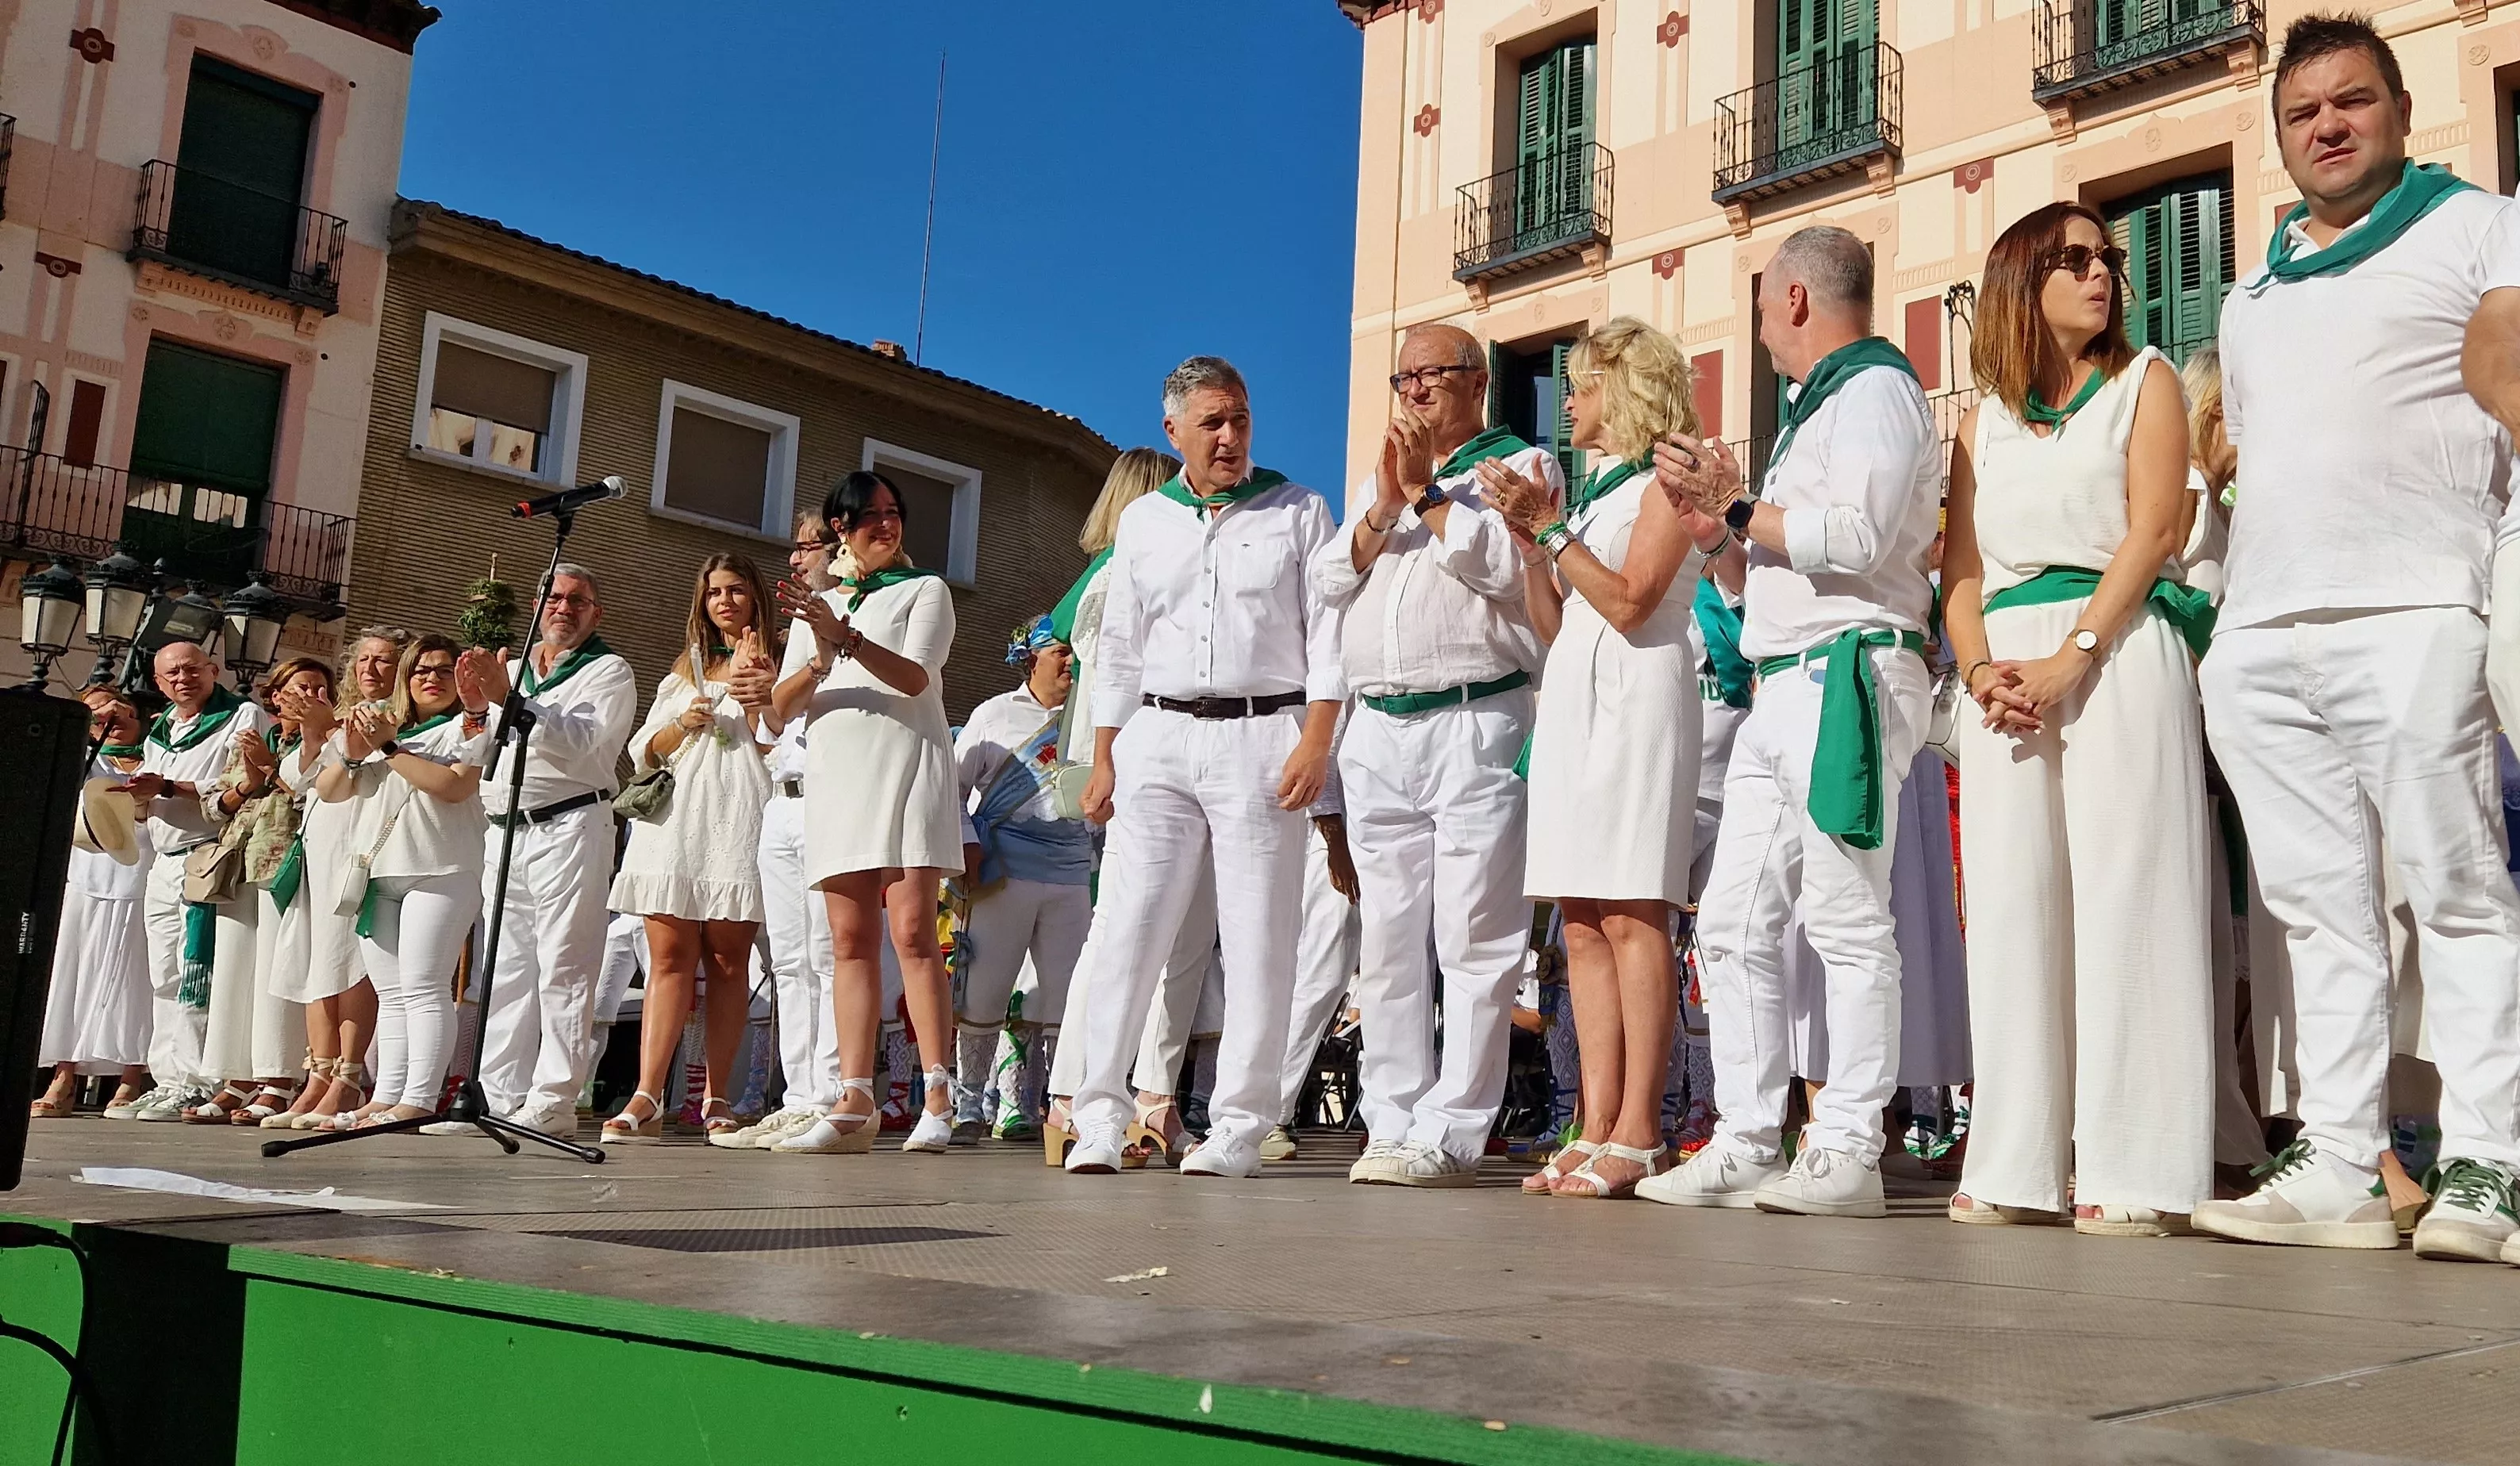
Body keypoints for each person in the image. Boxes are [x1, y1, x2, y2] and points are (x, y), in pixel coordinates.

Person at [2191, 14, 2520, 1261]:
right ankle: (2338, 1157)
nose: (2326, 126)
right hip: (2265, 629)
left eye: (2352, 102)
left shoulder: (2482, 223)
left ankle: (2492, 1163)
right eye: (2301, 113)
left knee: (2458, 891)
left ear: (2398, 107)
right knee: (2318, 912)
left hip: (2422, 605)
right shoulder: (2252, 289)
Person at [1642, 226, 1942, 1218]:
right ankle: (1744, 1136)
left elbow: (1853, 539)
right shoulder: (1815, 412)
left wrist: (1735, 506)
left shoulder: (1877, 392)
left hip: (1847, 674)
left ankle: (1849, 1143)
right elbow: (1769, 569)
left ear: (1797, 299)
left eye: (1763, 301)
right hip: (1786, 681)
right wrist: (1717, 533)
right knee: (1728, 926)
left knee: (1847, 918)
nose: (1761, 322)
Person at [1938, 201, 2215, 1234]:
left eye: (2111, 261)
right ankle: (2013, 1161)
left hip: (2118, 643)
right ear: (2022, 280)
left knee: (2130, 896)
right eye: (2076, 260)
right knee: (2011, 909)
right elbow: (1960, 570)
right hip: (2004, 670)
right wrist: (1978, 672)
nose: (2104, 276)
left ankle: (2138, 1166)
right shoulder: (1981, 423)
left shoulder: (2146, 384)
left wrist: (2073, 656)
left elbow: (2154, 532)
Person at [1062, 355, 1344, 1178]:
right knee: (1125, 929)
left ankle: (1238, 1126)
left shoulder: (1298, 510)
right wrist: (1105, 755)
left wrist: (1316, 740)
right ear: (1173, 430)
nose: (1228, 436)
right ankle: (1099, 1117)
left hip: (1263, 736)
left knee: (1260, 938)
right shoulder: (1146, 521)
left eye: (1240, 419)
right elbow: (1119, 646)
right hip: (1155, 737)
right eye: (1212, 422)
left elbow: (1330, 635)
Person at [1312, 320, 1561, 1188]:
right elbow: (1324, 583)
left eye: (1431, 375)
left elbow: (1506, 572)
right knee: (1383, 940)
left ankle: (1452, 1127)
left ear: (1474, 382)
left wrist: (1427, 498)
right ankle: (1388, 1118)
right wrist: (1384, 505)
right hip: (1378, 728)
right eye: (1402, 377)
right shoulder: (1379, 480)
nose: (1413, 391)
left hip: (1475, 716)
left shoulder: (1520, 469)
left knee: (1474, 937)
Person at [1485, 317, 1730, 1199]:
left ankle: (1639, 1128)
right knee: (1581, 921)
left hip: (1638, 701)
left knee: (1633, 913)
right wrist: (1529, 549)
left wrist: (1549, 532)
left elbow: (1630, 602)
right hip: (1578, 702)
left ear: (1622, 390)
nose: (1568, 404)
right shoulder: (1596, 497)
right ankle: (1593, 1120)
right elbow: (1559, 626)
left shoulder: (1670, 476)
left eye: (1582, 386)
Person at [770, 470, 963, 1154]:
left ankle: (939, 1090)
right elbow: (777, 708)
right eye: (868, 516)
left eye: (894, 512)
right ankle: (855, 1098)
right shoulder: (818, 604)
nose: (886, 525)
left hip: (909, 768)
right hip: (840, 777)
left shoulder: (924, 589)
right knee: (847, 943)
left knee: (912, 933)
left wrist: (845, 636)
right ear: (841, 529)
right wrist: (820, 653)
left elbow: (916, 678)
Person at [450, 566, 638, 1138]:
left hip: (570, 824)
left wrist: (507, 699)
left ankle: (554, 1098)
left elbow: (586, 748)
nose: (564, 607)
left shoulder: (609, 670)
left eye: (578, 600)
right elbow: (480, 751)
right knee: (503, 968)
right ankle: (498, 1097)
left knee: (564, 964)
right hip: (506, 828)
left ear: (596, 614)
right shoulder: (509, 666)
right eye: (554, 597)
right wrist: (477, 711)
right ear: (537, 604)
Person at [603, 555, 779, 1142]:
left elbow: (782, 744)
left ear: (755, 596)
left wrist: (757, 689)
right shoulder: (686, 668)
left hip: (738, 817)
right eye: (712, 594)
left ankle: (717, 1096)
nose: (724, 602)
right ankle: (647, 1095)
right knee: (669, 960)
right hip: (675, 824)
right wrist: (683, 723)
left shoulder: (781, 661)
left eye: (734, 591)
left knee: (729, 964)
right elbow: (643, 752)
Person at [319, 635, 491, 1126]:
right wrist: (353, 755)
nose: (431, 679)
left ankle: (419, 1098)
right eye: (420, 671)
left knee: (424, 986)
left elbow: (455, 787)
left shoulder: (470, 725)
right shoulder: (379, 721)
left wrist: (386, 748)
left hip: (442, 868)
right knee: (391, 992)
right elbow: (331, 791)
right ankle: (386, 1095)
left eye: (443, 670)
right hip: (380, 872)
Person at [717, 519, 843, 1151]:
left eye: (809, 544)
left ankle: (832, 1095)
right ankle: (798, 1098)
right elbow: (768, 732)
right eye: (794, 547)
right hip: (783, 801)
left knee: (827, 956)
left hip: (833, 798)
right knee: (789, 960)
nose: (796, 557)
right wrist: (752, 697)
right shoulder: (793, 629)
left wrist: (788, 684)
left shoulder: (853, 611)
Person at [951, 616, 1094, 1143]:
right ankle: (969, 1107)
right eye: (1060, 651)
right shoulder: (994, 714)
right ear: (1029, 657)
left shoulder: (1094, 715)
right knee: (984, 990)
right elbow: (952, 789)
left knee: (1066, 994)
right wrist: (965, 844)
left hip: (1073, 871)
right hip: (1004, 871)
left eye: (1075, 652)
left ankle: (1056, 1106)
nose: (1071, 662)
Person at [121, 639, 273, 1121]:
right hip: (164, 860)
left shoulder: (241, 715)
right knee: (163, 971)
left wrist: (165, 787)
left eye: (192, 669)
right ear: (160, 684)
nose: (183, 679)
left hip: (208, 855)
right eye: (172, 674)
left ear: (212, 669)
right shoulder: (161, 727)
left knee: (196, 970)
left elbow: (238, 783)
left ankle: (198, 1080)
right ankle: (167, 1079)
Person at [189, 658, 339, 1124]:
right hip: (240, 862)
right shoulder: (256, 739)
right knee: (238, 970)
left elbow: (318, 797)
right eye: (298, 688)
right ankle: (237, 1074)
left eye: (318, 689)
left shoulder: (331, 739)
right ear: (275, 698)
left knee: (279, 971)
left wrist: (273, 772)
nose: (309, 697)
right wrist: (249, 783)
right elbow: (214, 806)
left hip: (287, 865)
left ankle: (278, 1077)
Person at [268, 628, 403, 1130]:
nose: (370, 669)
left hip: (359, 844)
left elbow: (368, 771)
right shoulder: (337, 715)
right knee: (314, 961)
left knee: (349, 963)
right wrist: (313, 731)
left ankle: (349, 1074)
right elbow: (301, 780)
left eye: (384, 661)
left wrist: (328, 731)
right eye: (363, 660)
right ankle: (318, 1075)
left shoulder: (395, 718)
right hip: (319, 845)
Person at [34, 684, 156, 1119]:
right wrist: (90, 730)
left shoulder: (156, 758)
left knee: (134, 979)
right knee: (75, 975)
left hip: (141, 878)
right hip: (86, 879)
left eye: (121, 714)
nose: (112, 721)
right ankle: (64, 1076)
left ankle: (130, 1076)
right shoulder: (80, 759)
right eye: (100, 714)